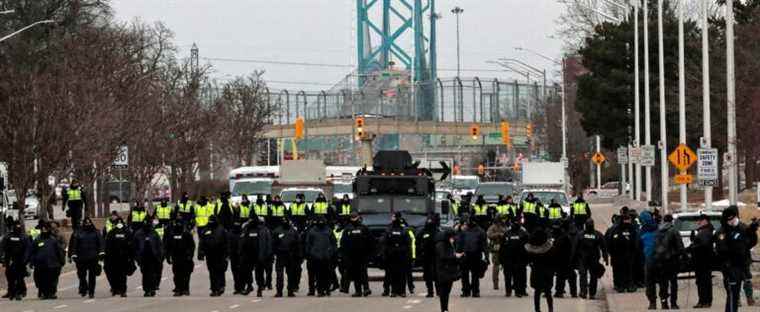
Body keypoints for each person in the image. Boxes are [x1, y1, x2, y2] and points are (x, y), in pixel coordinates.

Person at [715, 206, 758, 312]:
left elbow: (751, 243)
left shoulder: (742, 227)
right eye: (730, 218)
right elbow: (722, 249)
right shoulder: (722, 231)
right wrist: (736, 243)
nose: (733, 220)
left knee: (738, 290)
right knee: (732, 294)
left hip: (742, 265)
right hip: (730, 267)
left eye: (734, 217)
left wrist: (752, 233)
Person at [651, 214, 685, 310]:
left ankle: (664, 303)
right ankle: (673, 303)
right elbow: (680, 246)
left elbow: (655, 246)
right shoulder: (674, 231)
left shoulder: (658, 231)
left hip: (660, 261)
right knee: (673, 282)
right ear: (671, 221)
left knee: (663, 283)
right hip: (672, 260)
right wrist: (684, 256)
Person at [68, 217, 105, 298]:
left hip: (93, 257)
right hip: (81, 258)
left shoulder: (96, 232)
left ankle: (91, 292)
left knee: (92, 276)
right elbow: (74, 245)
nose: (87, 224)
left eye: (89, 222)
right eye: (86, 223)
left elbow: (101, 243)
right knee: (81, 275)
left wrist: (102, 253)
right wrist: (73, 254)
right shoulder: (78, 233)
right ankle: (84, 287)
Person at [31, 221, 66, 299]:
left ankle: (51, 293)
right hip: (40, 264)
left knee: (52, 279)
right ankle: (43, 293)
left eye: (46, 229)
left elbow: (59, 251)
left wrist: (62, 261)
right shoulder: (37, 239)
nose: (44, 230)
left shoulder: (53, 239)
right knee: (41, 279)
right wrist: (32, 261)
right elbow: (32, 251)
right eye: (43, 229)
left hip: (52, 263)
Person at [525, 227, 557, 312]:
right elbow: (554, 259)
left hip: (536, 271)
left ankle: (537, 309)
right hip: (547, 271)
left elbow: (528, 258)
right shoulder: (550, 248)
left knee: (537, 292)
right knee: (548, 292)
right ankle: (550, 308)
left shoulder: (531, 249)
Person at [239, 216, 272, 297]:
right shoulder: (247, 229)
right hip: (248, 255)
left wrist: (268, 255)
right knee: (246, 271)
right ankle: (249, 286)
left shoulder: (264, 230)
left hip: (259, 255)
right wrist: (241, 252)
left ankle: (259, 288)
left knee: (259, 273)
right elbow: (242, 241)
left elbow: (268, 243)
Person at [305, 216, 337, 297]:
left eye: (322, 221)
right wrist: (309, 254)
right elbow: (308, 244)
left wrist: (332, 252)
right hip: (316, 257)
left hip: (326, 256)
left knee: (327, 274)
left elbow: (334, 243)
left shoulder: (329, 231)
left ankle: (327, 289)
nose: (321, 223)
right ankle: (320, 290)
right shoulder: (312, 231)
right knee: (318, 275)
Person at [199, 215, 230, 297]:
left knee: (220, 270)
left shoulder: (221, 230)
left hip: (220, 254)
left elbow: (227, 242)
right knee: (212, 272)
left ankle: (221, 286)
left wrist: (227, 254)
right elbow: (201, 241)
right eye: (210, 221)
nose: (210, 223)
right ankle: (214, 289)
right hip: (210, 254)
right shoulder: (206, 230)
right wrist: (201, 253)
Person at [1, 218, 32, 301]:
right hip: (10, 260)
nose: (17, 227)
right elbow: (3, 248)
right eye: (16, 226)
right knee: (10, 277)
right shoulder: (8, 237)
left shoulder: (24, 237)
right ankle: (11, 292)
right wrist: (3, 259)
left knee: (19, 277)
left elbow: (27, 249)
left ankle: (19, 292)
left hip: (20, 261)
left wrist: (25, 260)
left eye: (18, 226)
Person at [576, 219, 607, 300]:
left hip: (585, 258)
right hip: (592, 258)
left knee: (584, 275)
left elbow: (575, 247)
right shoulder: (597, 234)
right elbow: (603, 247)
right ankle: (591, 293)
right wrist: (605, 257)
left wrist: (573, 258)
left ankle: (584, 292)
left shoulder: (581, 234)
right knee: (592, 276)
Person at [688, 214, 715, 309]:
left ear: (705, 221)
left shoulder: (705, 231)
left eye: (700, 220)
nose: (698, 222)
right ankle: (703, 301)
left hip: (703, 261)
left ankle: (705, 301)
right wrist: (693, 241)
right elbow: (700, 243)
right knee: (701, 281)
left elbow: (704, 245)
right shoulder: (703, 231)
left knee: (704, 281)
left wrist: (692, 248)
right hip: (701, 260)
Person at [382, 212, 412, 297]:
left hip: (401, 255)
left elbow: (408, 243)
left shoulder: (404, 229)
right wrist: (385, 253)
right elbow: (385, 242)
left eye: (393, 217)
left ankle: (401, 291)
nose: (392, 218)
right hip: (392, 255)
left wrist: (408, 255)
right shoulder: (389, 229)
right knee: (393, 274)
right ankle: (394, 291)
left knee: (401, 274)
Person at [457, 217, 488, 297]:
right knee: (466, 275)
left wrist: (486, 256)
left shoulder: (479, 231)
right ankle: (468, 291)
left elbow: (484, 245)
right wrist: (458, 255)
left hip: (475, 255)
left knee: (474, 275)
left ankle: (474, 291)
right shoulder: (464, 231)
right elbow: (459, 244)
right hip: (466, 255)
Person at [607, 210, 637, 293]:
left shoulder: (632, 229)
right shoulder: (615, 230)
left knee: (629, 270)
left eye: (628, 220)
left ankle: (629, 285)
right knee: (619, 271)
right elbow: (610, 242)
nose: (627, 222)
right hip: (618, 255)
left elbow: (635, 242)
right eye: (626, 220)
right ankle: (620, 285)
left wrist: (633, 252)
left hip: (629, 255)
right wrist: (612, 253)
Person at [165, 219, 195, 297]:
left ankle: (185, 289)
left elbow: (192, 246)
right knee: (177, 274)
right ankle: (178, 289)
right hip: (175, 257)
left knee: (186, 274)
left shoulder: (187, 234)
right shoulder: (172, 235)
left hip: (185, 257)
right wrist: (167, 256)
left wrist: (190, 256)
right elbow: (168, 246)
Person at [273, 218, 303, 297]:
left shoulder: (293, 231)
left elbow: (298, 243)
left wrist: (299, 255)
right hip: (280, 255)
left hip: (290, 255)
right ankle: (279, 291)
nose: (285, 222)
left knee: (291, 274)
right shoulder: (277, 231)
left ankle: (290, 291)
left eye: (286, 221)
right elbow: (273, 243)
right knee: (279, 275)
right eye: (283, 221)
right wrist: (274, 253)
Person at [499, 217, 529, 297]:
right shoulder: (507, 233)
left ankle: (518, 291)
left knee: (518, 276)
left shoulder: (523, 233)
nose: (515, 224)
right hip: (508, 258)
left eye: (517, 222)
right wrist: (501, 259)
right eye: (513, 222)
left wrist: (527, 258)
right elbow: (502, 247)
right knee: (508, 276)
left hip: (519, 258)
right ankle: (508, 291)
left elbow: (527, 246)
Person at [134, 217, 163, 297]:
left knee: (153, 274)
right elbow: (135, 247)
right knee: (145, 274)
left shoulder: (154, 233)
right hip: (143, 258)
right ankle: (147, 290)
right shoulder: (138, 234)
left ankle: (152, 289)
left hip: (153, 257)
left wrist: (160, 256)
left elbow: (159, 245)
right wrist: (137, 258)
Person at [104, 217, 133, 297]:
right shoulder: (111, 233)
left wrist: (131, 257)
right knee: (114, 275)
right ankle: (115, 289)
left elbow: (131, 245)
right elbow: (107, 246)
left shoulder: (127, 232)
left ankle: (123, 291)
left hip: (123, 257)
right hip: (113, 258)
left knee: (122, 275)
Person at [436, 230, 462, 312]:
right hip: (443, 271)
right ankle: (444, 309)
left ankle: (445, 308)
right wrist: (455, 256)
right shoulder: (440, 245)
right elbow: (443, 256)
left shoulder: (450, 244)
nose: (453, 239)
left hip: (449, 271)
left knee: (447, 291)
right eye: (452, 237)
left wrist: (457, 257)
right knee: (444, 291)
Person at [551, 220, 577, 298]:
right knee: (568, 276)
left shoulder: (563, 237)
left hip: (563, 259)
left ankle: (561, 292)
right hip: (565, 259)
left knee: (563, 276)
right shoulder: (566, 235)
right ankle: (570, 292)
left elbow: (558, 248)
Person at [417, 214, 440, 297]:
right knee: (427, 275)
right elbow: (417, 242)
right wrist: (419, 253)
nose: (429, 222)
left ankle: (438, 291)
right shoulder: (423, 231)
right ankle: (430, 292)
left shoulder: (437, 231)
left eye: (431, 220)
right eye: (428, 220)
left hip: (436, 256)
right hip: (426, 256)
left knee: (437, 274)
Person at [486, 215, 507, 291]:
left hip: (504, 248)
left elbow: (507, 234)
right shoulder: (493, 227)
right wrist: (498, 234)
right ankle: (495, 284)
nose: (504, 220)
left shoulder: (505, 226)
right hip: (496, 248)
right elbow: (489, 234)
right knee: (496, 266)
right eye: (502, 219)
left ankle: (507, 283)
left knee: (506, 267)